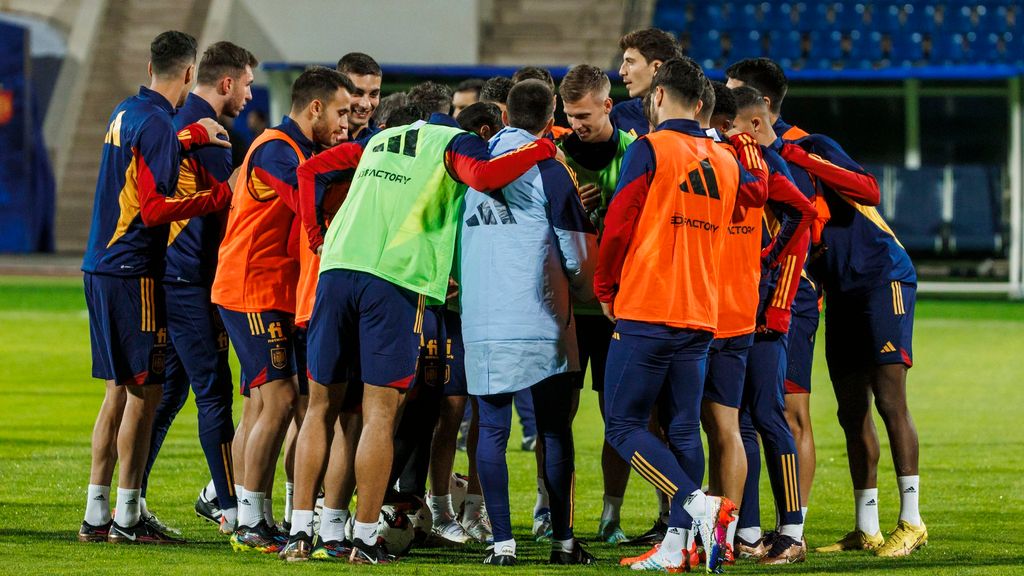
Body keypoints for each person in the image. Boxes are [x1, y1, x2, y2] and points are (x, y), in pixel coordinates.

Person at [282, 77, 560, 564]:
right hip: (394, 280)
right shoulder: (454, 143)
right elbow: (484, 176)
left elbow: (310, 171)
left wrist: (314, 233)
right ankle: (364, 538)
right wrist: (541, 149)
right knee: (379, 414)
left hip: (337, 270)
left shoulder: (380, 138)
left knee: (321, 407)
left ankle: (302, 532)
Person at [729, 58, 926, 558]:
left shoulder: (809, 144)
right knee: (850, 409)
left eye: (733, 93)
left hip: (881, 277)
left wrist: (796, 154)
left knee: (890, 400)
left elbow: (868, 189)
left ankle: (912, 520)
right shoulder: (751, 158)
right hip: (837, 289)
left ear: (760, 106)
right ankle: (866, 526)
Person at [596, 57, 768, 573]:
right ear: (701, 104)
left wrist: (605, 287)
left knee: (623, 426)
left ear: (658, 96)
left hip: (649, 305)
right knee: (684, 430)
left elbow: (620, 223)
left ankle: (698, 504)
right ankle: (676, 546)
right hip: (701, 313)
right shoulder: (726, 160)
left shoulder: (650, 148)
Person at [79, 30, 232, 544]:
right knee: (146, 395)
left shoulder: (126, 112)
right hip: (135, 270)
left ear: (151, 67)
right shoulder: (160, 125)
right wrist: (220, 196)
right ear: (189, 73)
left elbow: (140, 160)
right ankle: (127, 517)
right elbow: (153, 209)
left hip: (99, 265)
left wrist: (188, 140)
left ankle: (96, 513)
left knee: (116, 392)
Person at [211, 66, 353, 554]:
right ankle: (249, 518)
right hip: (253, 288)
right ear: (315, 107)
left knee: (266, 404)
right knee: (279, 400)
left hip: (271, 290)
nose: (345, 124)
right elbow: (304, 198)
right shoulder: (277, 148)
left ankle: (250, 513)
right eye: (339, 113)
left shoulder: (296, 149)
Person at [461, 79, 598, 567]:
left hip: (482, 320)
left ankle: (502, 544)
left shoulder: (470, 164)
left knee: (491, 431)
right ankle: (563, 542)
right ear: (552, 115)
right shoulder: (550, 168)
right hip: (542, 321)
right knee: (555, 431)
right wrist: (586, 292)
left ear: (503, 114)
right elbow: (578, 252)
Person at [136, 40, 257, 536]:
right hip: (191, 280)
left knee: (169, 394)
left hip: (172, 273)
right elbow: (226, 207)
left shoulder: (175, 123)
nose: (249, 95)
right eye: (247, 84)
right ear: (227, 82)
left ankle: (131, 499)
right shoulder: (210, 133)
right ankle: (230, 506)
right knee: (213, 392)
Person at [722, 85, 817, 565]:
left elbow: (805, 213)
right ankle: (750, 532)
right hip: (736, 309)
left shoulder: (766, 162)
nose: (726, 135)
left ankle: (793, 532)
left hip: (766, 312)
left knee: (766, 414)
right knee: (740, 420)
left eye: (729, 127)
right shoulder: (730, 158)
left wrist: (770, 262)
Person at [556, 63, 636, 545]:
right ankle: (549, 510)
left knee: (618, 417)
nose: (576, 125)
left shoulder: (634, 153)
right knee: (557, 416)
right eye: (570, 116)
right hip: (565, 308)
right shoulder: (556, 156)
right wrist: (567, 207)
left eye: (584, 115)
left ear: (608, 105)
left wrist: (601, 211)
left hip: (614, 309)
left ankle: (611, 515)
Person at [611, 28, 681, 137]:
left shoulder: (691, 115)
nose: (621, 72)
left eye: (630, 62)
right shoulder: (619, 115)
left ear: (656, 67)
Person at [337, 52, 382, 141]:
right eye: (357, 93)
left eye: (373, 94)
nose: (365, 105)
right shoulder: (317, 141)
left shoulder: (384, 142)